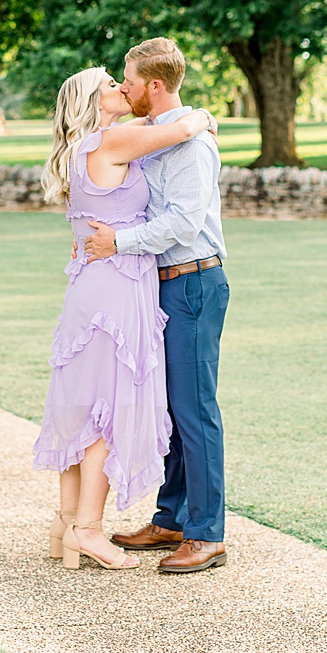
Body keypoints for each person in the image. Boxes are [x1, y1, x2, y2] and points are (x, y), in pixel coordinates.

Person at [33, 67, 218, 571]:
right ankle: (90, 531)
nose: (120, 87)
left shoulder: (79, 150)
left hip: (92, 284)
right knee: (105, 409)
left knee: (82, 403)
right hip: (115, 286)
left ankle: (67, 522)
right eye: (111, 83)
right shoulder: (112, 138)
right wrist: (202, 115)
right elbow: (179, 129)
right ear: (96, 101)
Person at [80, 37, 233, 575]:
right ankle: (171, 516)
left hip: (194, 282)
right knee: (168, 406)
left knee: (195, 409)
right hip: (160, 284)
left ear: (155, 86)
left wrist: (116, 244)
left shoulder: (194, 147)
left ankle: (207, 532)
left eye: (129, 80)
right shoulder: (158, 133)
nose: (123, 87)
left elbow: (184, 224)